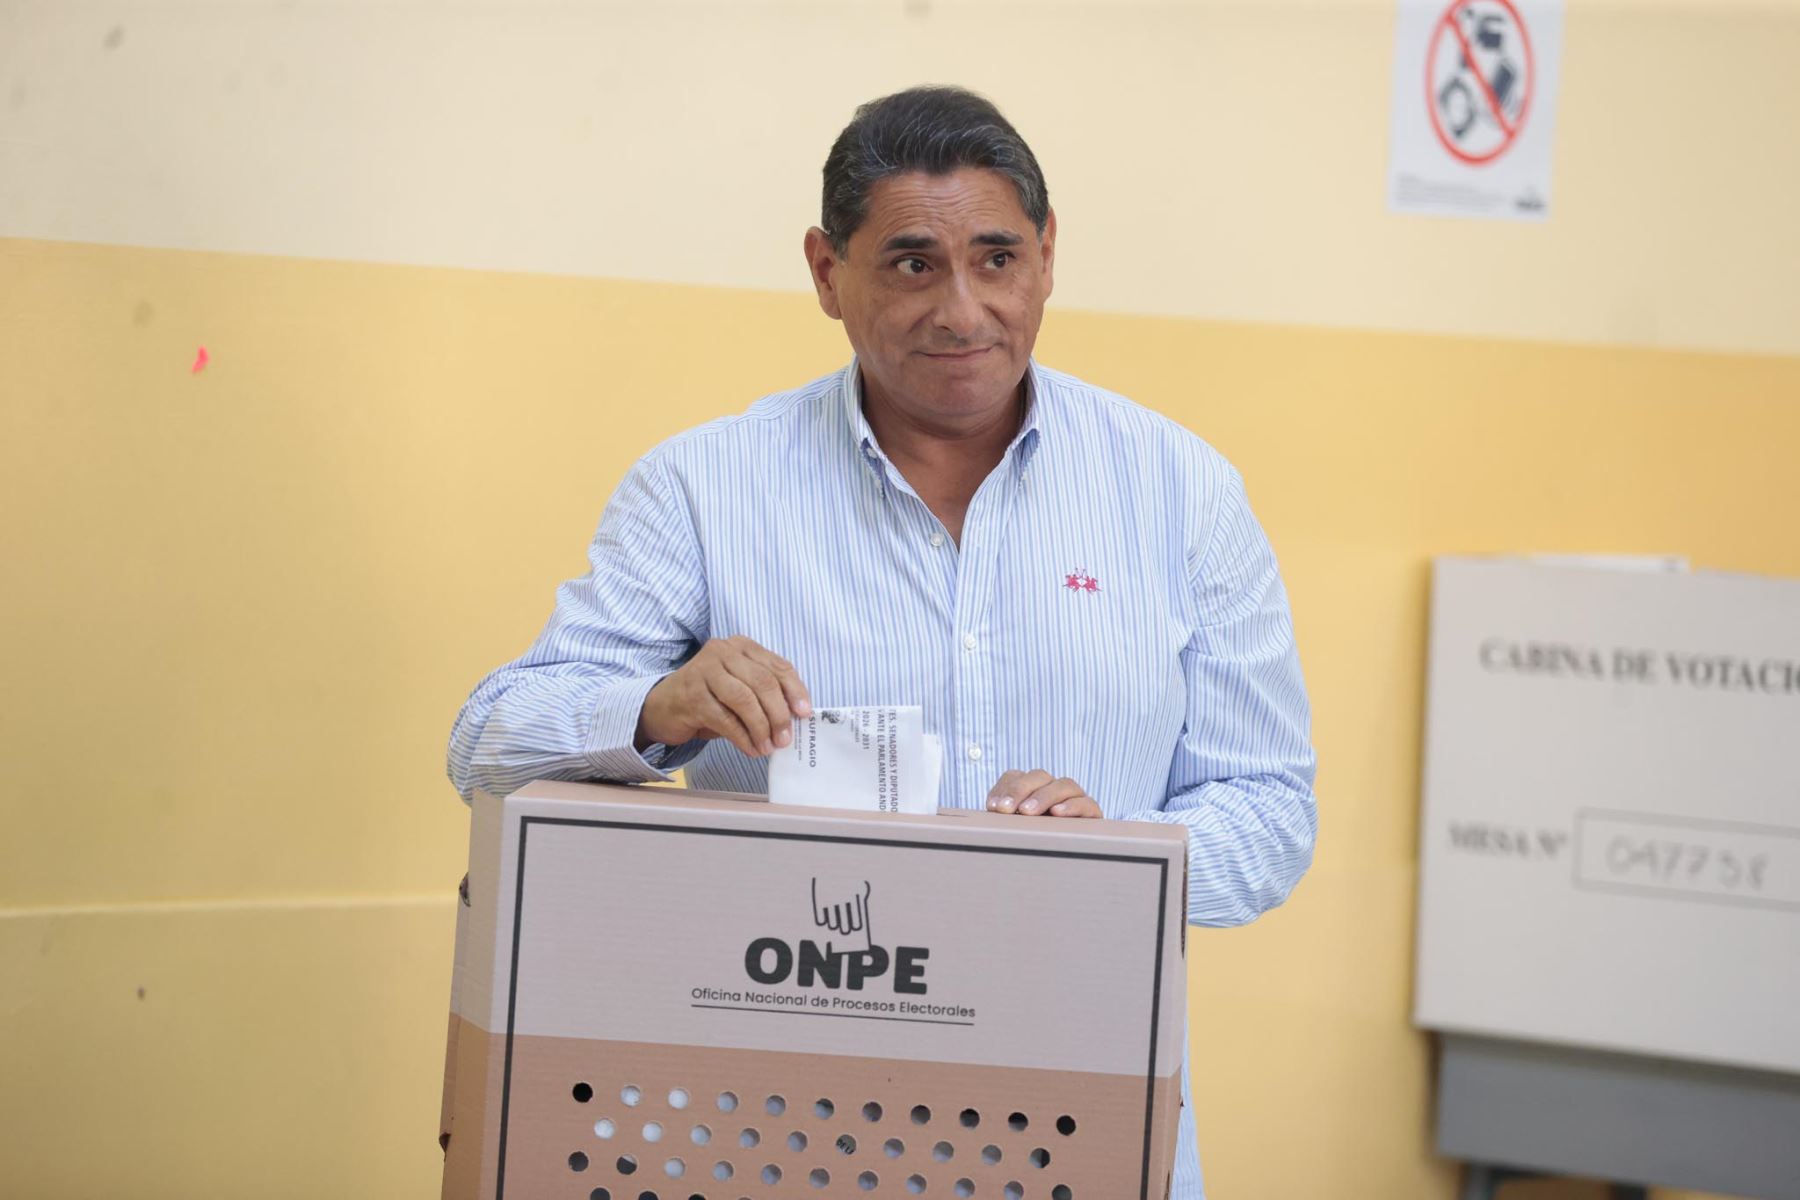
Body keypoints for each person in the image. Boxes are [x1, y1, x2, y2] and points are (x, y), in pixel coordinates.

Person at [447, 85, 1316, 1199]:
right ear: (825, 273)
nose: (963, 309)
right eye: (912, 263)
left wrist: (1117, 852)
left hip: (1076, 1112)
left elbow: (1272, 811)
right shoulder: (706, 488)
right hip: (766, 1128)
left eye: (997, 258)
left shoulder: (1180, 493)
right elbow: (484, 743)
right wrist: (656, 706)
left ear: (1048, 257)